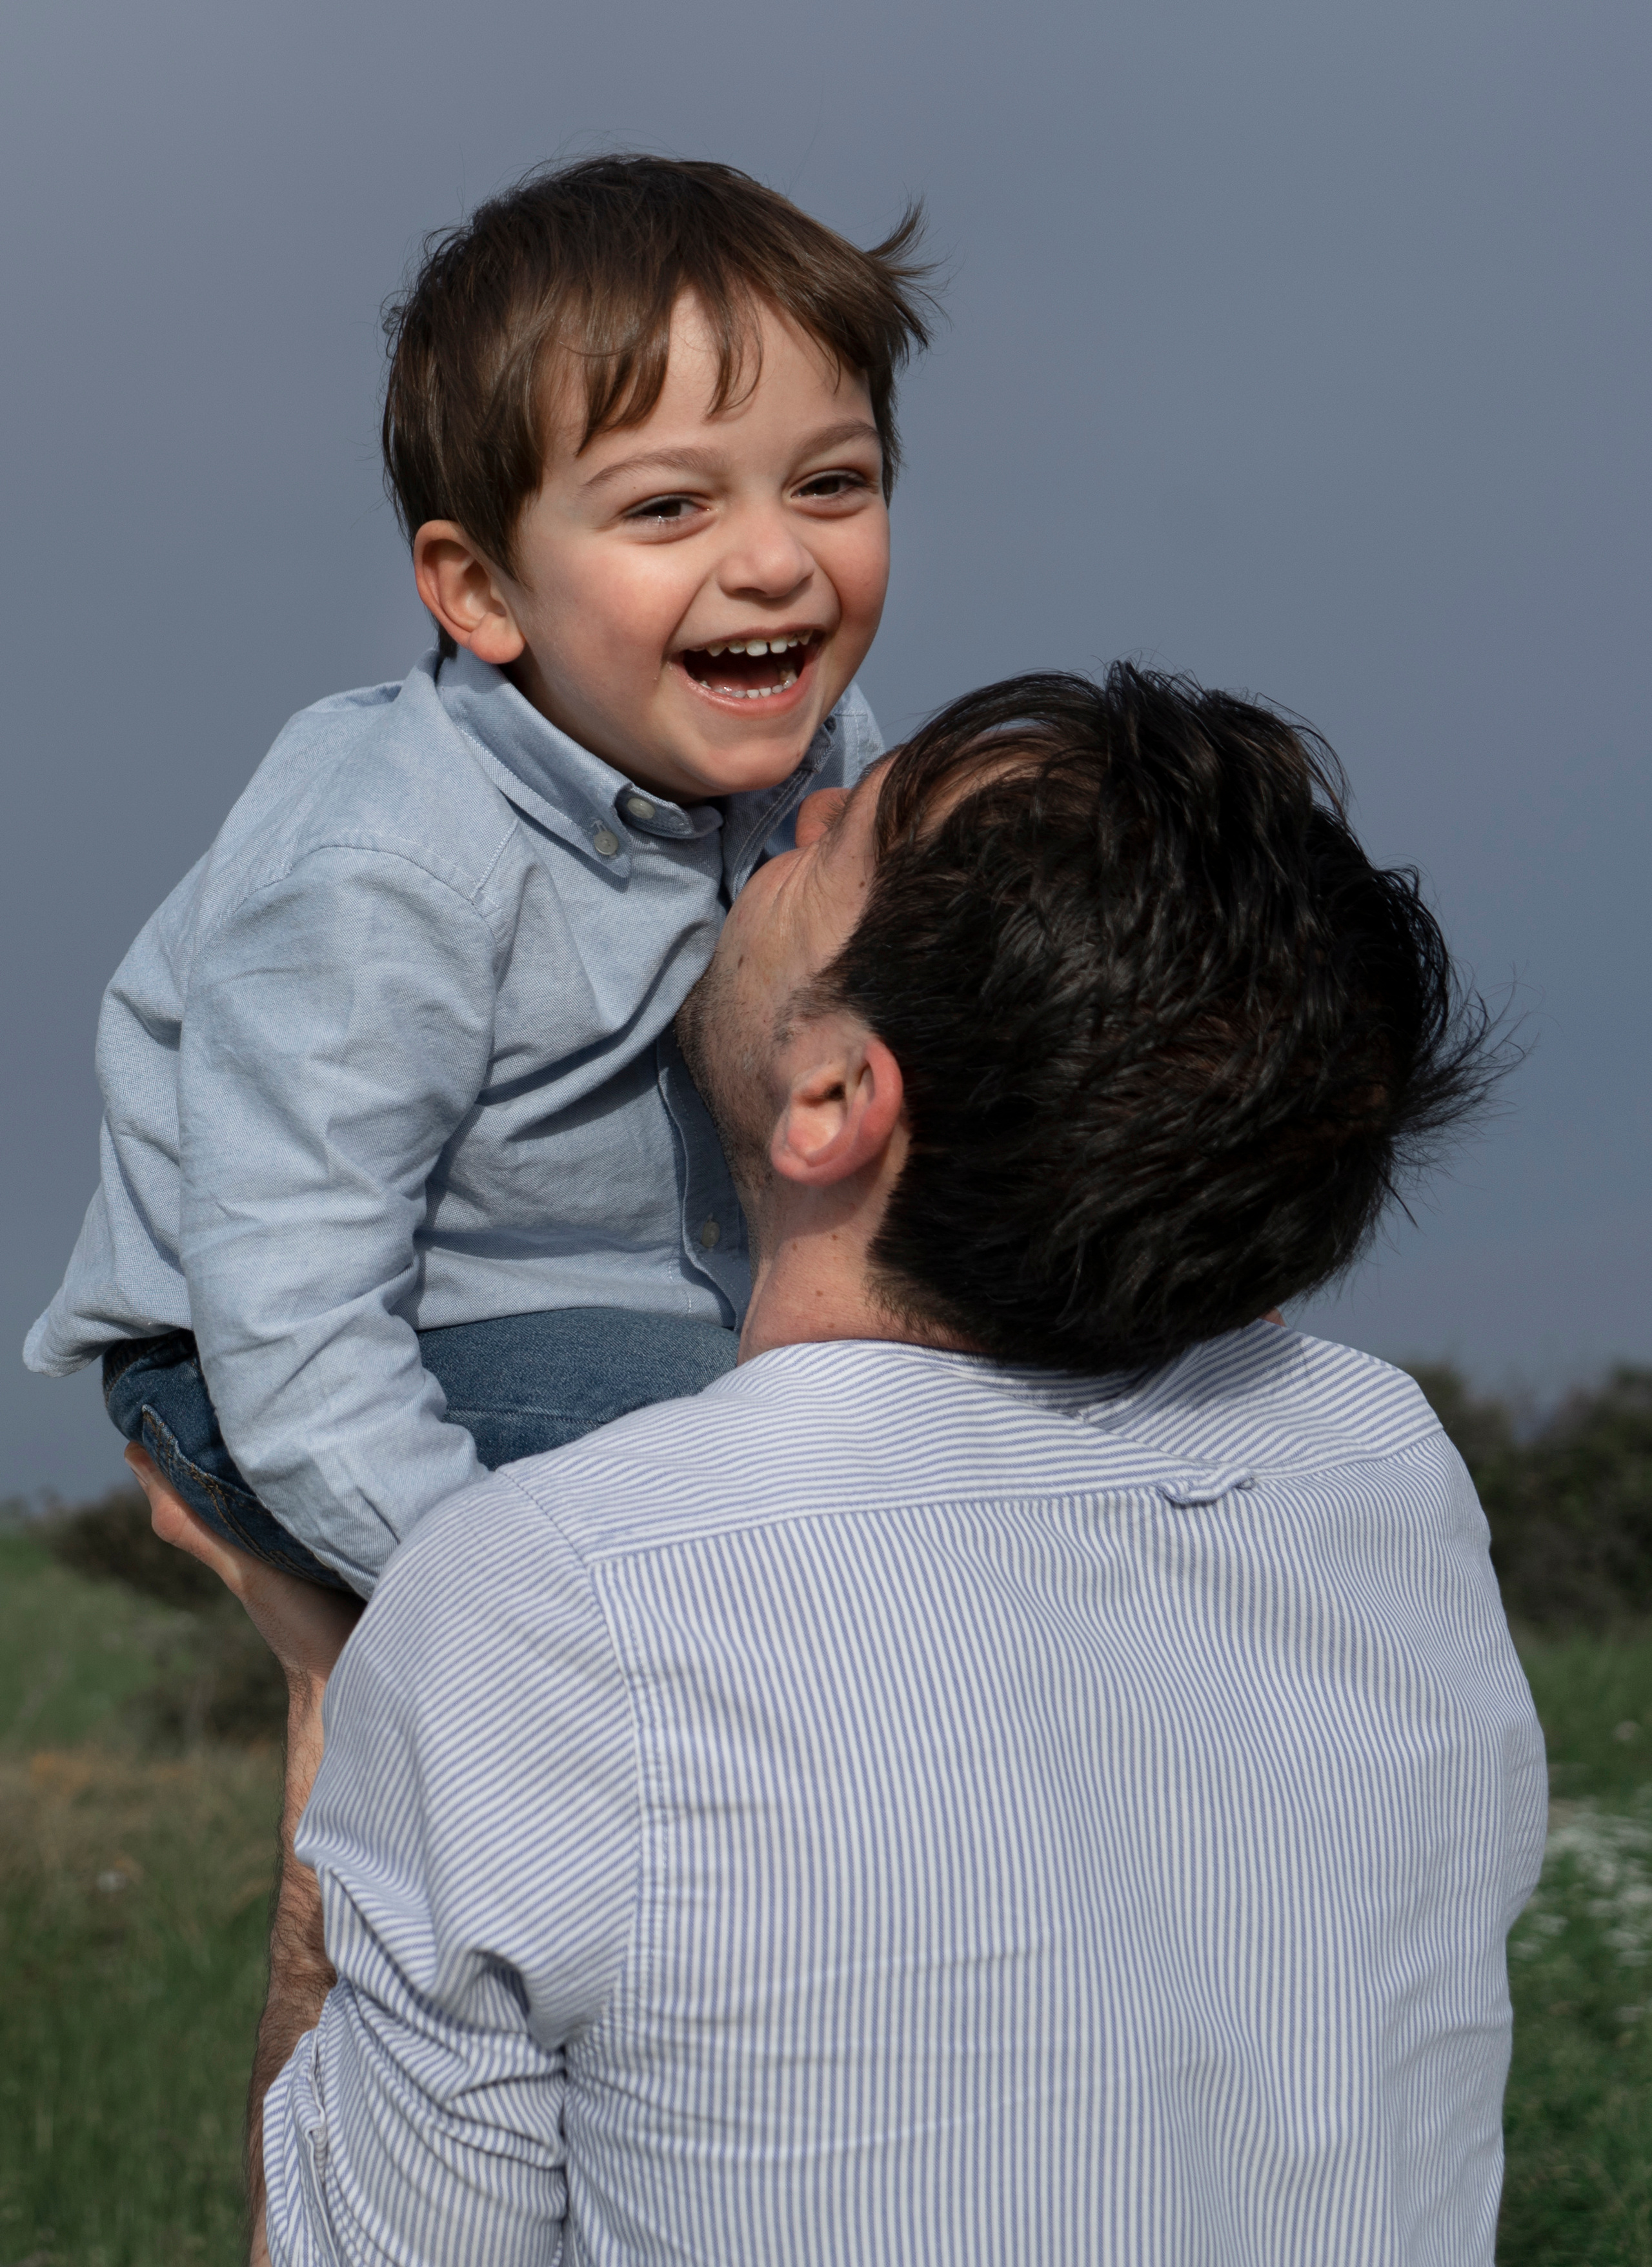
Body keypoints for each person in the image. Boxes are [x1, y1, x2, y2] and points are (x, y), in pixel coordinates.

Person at [134, 663, 1545, 2265]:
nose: (790, 813)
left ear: (834, 1097)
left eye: (833, 845)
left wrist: (343, 1700)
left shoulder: (561, 1596)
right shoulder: (1378, 1475)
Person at [25, 155, 933, 1595]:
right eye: (666, 509)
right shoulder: (380, 868)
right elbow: (296, 1313)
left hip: (640, 1316)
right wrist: (491, 1622)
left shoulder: (830, 760)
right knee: (753, 1468)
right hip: (281, 1364)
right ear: (480, 593)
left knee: (931, 1429)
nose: (774, 558)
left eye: (831, 483)